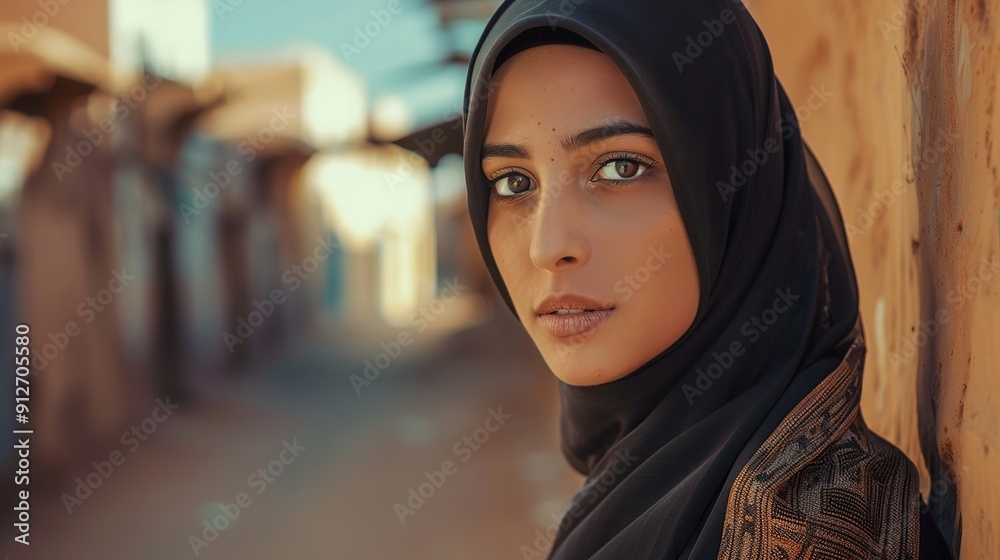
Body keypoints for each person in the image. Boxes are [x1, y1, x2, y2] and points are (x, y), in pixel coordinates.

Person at [461, 0, 954, 558]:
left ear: (735, 190)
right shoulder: (646, 475)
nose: (548, 247)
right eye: (512, 182)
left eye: (621, 168)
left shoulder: (813, 534)